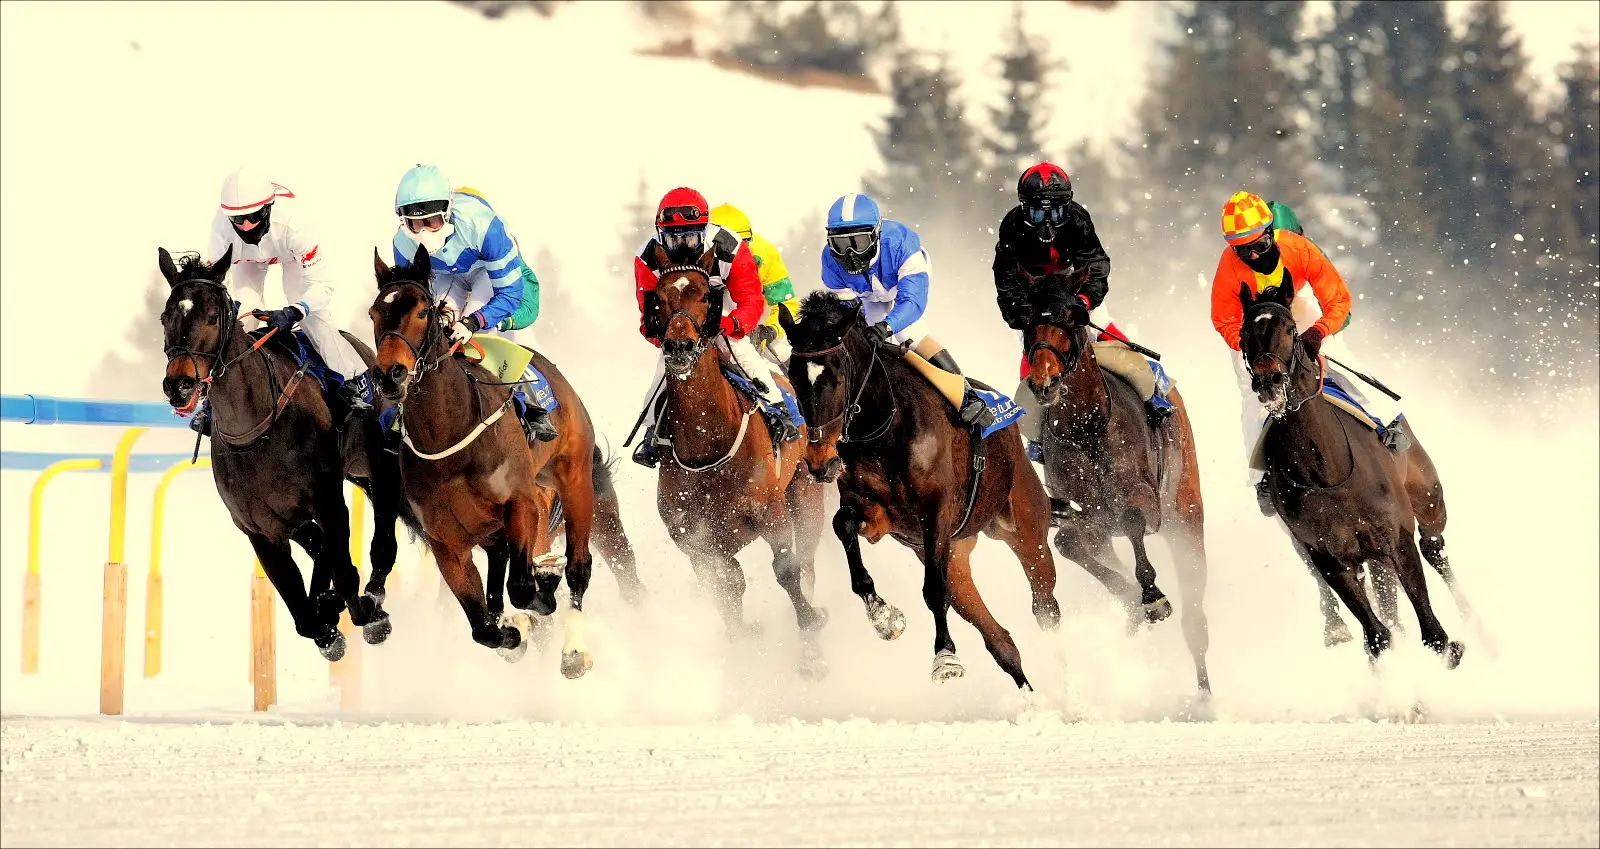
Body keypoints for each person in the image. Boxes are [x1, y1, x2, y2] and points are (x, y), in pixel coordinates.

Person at [1209, 190, 1410, 516]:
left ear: (1271, 233)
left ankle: (1386, 420)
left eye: (1259, 246)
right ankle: (1260, 477)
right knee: (1251, 392)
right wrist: (1246, 344)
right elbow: (1223, 318)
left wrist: (1318, 332)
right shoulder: (1229, 267)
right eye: (1242, 251)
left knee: (1335, 357)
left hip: (1297, 308)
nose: (1253, 256)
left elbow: (1339, 300)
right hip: (1254, 330)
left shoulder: (1299, 249)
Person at [991, 162, 1176, 462]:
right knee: (1033, 363)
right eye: (1038, 214)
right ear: (1025, 209)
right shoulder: (1011, 226)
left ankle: (1153, 393)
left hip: (1071, 290)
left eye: (1055, 213)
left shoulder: (1078, 219)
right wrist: (1021, 313)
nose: (1048, 223)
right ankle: (1038, 434)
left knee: (1113, 340)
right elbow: (1006, 280)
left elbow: (1097, 264)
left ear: (1068, 207)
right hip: (1035, 301)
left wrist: (1084, 301)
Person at [190, 167, 376, 437]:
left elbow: (322, 287)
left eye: (252, 217)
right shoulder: (221, 229)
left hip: (291, 257)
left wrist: (294, 311)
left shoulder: (295, 223)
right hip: (246, 262)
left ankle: (354, 380)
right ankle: (214, 399)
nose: (245, 226)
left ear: (267, 209)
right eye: (237, 220)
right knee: (242, 318)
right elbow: (211, 285)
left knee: (313, 318)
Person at [631, 187, 803, 468]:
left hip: (718, 307)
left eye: (689, 237)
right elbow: (648, 313)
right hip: (678, 315)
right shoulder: (647, 257)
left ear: (705, 230)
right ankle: (651, 431)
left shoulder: (730, 247)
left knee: (740, 349)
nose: (682, 247)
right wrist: (669, 338)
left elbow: (750, 300)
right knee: (665, 365)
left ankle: (778, 410)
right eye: (674, 240)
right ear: (660, 236)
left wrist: (730, 324)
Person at [389, 164, 556, 442]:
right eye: (414, 224)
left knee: (477, 331)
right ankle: (405, 410)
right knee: (434, 328)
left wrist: (473, 322)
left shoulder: (485, 227)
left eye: (431, 221)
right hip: (443, 275)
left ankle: (533, 405)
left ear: (447, 212)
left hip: (486, 271)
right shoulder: (402, 244)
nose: (423, 232)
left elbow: (512, 294)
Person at [820, 192, 994, 429]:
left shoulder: (902, 243)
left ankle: (967, 396)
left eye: (858, 243)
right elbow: (846, 310)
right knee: (865, 343)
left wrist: (887, 326)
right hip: (868, 296)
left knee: (909, 333)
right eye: (840, 244)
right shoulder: (830, 261)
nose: (850, 255)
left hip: (902, 289)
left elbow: (913, 302)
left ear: (876, 235)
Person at [709, 203, 801, 365]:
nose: (736, 250)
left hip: (757, 326)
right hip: (712, 326)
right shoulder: (696, 257)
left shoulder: (766, 254)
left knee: (792, 359)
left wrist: (770, 330)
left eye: (743, 242)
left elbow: (787, 305)